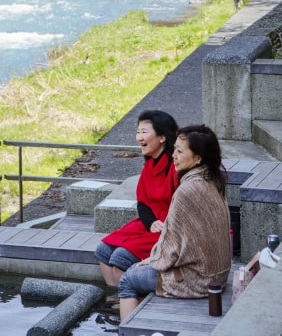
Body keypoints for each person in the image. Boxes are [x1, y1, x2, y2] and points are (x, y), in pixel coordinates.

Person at [118, 124, 231, 320]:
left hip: (195, 281)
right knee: (133, 262)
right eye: (174, 150)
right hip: (217, 275)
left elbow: (171, 247)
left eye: (179, 151)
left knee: (128, 279)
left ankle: (126, 328)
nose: (173, 156)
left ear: (198, 158)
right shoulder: (212, 179)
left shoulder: (187, 190)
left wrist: (151, 261)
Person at [94, 110, 179, 287]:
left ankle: (126, 301)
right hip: (150, 225)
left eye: (144, 132)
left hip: (170, 229)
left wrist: (163, 224)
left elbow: (183, 205)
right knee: (103, 250)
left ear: (162, 137)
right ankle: (116, 295)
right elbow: (142, 203)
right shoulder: (149, 164)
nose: (139, 137)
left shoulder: (175, 166)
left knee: (121, 257)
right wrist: (151, 222)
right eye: (138, 132)